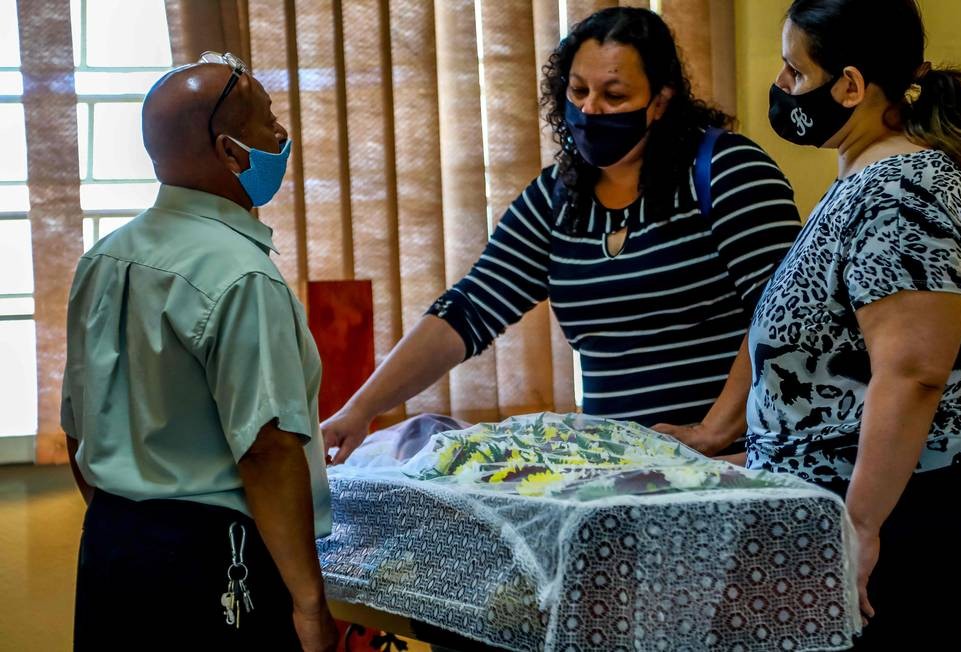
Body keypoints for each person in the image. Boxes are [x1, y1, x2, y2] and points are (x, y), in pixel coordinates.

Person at [321, 7, 801, 463]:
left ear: (661, 101)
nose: (591, 110)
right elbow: (468, 310)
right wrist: (359, 411)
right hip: (624, 466)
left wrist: (711, 432)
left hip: (732, 459)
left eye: (614, 96)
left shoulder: (727, 170)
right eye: (577, 91)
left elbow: (785, 313)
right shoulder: (556, 199)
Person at [745, 0, 961, 648]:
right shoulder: (871, 175)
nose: (784, 88)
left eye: (794, 72)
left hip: (904, 524)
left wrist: (861, 526)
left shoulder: (902, 189)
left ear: (850, 85)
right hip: (878, 513)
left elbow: (913, 371)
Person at [61, 53, 337, 651]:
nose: (282, 133)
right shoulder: (240, 276)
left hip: (110, 549)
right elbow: (266, 450)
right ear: (232, 152)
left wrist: (138, 513)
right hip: (216, 561)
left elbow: (77, 429)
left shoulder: (104, 258)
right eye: (268, 120)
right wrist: (310, 605)